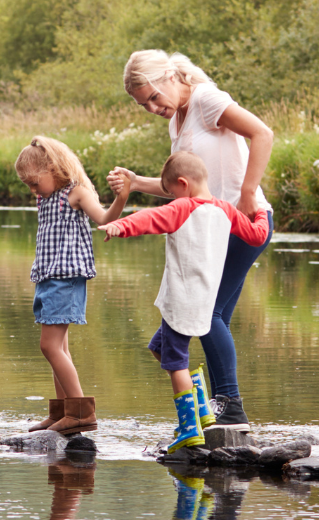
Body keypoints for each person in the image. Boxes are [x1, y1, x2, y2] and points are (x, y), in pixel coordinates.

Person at [108, 50, 275, 431]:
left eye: (153, 97)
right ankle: (216, 410)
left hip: (241, 223)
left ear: (169, 76)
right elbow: (180, 190)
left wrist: (248, 193)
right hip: (210, 231)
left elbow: (262, 133)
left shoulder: (205, 99)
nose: (152, 108)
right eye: (143, 104)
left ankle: (229, 408)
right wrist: (134, 182)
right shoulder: (179, 121)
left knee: (206, 317)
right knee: (213, 319)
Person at [99, 152, 268, 452]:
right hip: (204, 299)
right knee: (160, 347)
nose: (171, 198)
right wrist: (262, 215)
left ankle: (189, 429)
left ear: (183, 184)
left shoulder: (183, 208)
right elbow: (256, 236)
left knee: (176, 361)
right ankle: (202, 409)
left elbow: (149, 219)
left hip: (181, 301)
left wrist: (120, 226)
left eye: (171, 192)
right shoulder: (226, 210)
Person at [15, 136, 131, 434]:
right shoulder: (46, 196)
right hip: (47, 276)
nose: (32, 190)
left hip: (65, 277)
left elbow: (105, 217)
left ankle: (81, 412)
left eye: (34, 182)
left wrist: (122, 197)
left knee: (49, 346)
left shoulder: (76, 193)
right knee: (59, 347)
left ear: (53, 168)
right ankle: (62, 412)